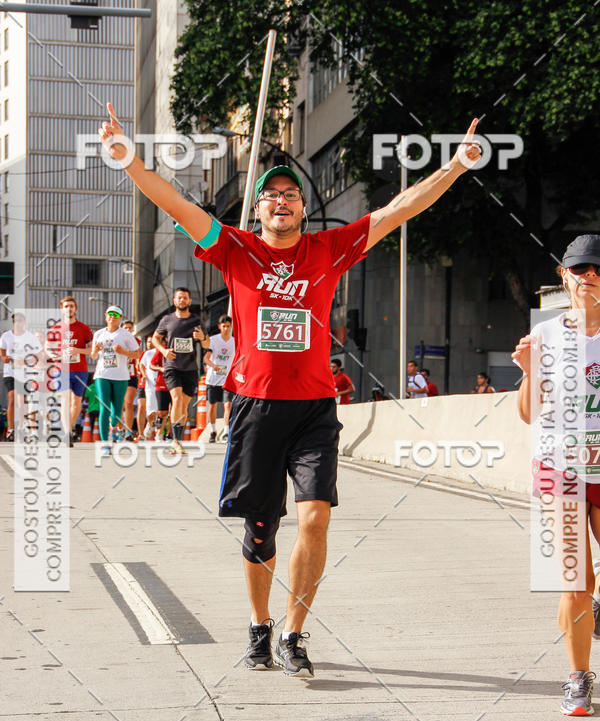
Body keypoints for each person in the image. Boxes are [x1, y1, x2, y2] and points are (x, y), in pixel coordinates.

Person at [100, 101, 482, 676]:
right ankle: (260, 626)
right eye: (271, 196)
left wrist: (454, 167)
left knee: (314, 519)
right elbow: (176, 202)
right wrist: (129, 159)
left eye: (291, 195)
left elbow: (400, 208)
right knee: (261, 529)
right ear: (258, 210)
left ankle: (295, 634)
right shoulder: (233, 248)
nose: (281, 201)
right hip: (255, 406)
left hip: (313, 407)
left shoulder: (329, 249)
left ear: (304, 208)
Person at [513, 233, 600, 715]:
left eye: (595, 270)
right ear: (563, 276)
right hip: (558, 467)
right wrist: (528, 371)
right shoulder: (544, 333)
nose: (587, 278)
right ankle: (578, 678)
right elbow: (528, 413)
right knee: (574, 580)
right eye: (578, 269)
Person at [152, 287, 209, 455]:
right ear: (174, 301)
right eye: (179, 298)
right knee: (176, 400)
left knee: (183, 406)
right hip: (172, 366)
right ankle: (175, 440)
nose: (182, 300)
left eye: (185, 298)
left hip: (190, 368)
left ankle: (177, 438)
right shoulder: (167, 320)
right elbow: (156, 338)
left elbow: (206, 345)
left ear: (189, 301)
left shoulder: (196, 321)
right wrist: (163, 352)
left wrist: (202, 338)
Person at [90, 305, 141, 456]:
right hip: (102, 374)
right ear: (106, 316)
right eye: (110, 314)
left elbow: (137, 354)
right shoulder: (98, 334)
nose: (113, 317)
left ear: (120, 318)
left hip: (120, 376)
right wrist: (96, 350)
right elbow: (93, 356)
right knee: (104, 407)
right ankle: (105, 443)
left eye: (116, 315)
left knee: (117, 410)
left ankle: (114, 428)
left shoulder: (125, 335)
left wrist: (123, 352)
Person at [46, 296, 94, 447]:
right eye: (66, 306)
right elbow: (47, 347)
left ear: (76, 309)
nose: (69, 309)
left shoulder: (84, 328)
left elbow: (91, 350)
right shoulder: (56, 328)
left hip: (80, 369)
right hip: (62, 369)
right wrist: (53, 355)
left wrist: (77, 350)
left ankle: (69, 428)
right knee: (65, 400)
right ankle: (67, 433)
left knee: (77, 403)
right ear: (62, 309)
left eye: (71, 306)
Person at [0, 313, 42, 441]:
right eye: (15, 321)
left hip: (26, 373)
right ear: (13, 323)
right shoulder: (6, 336)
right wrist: (5, 358)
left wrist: (25, 361)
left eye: (20, 321)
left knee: (26, 400)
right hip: (10, 373)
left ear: (24, 323)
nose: (18, 323)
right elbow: (2, 353)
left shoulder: (29, 337)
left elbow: (37, 355)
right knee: (12, 397)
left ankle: (27, 427)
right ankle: (11, 429)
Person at [204, 314, 235, 442]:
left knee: (228, 405)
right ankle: (212, 430)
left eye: (228, 326)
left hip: (227, 379)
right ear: (219, 327)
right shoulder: (213, 340)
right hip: (213, 378)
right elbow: (206, 358)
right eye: (224, 326)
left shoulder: (235, 341)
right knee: (212, 406)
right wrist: (213, 365)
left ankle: (226, 432)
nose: (226, 329)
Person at [149, 339, 172, 440]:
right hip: (161, 384)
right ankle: (158, 432)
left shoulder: (181, 350)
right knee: (162, 412)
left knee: (175, 411)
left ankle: (169, 435)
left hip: (176, 384)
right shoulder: (161, 351)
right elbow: (151, 365)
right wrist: (161, 369)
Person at [122, 319, 141, 440]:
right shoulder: (117, 340)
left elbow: (138, 356)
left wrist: (140, 370)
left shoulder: (136, 341)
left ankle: (128, 432)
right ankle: (118, 429)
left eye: (130, 328)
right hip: (117, 375)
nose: (128, 330)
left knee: (129, 404)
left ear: (133, 330)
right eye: (125, 328)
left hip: (131, 375)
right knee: (119, 406)